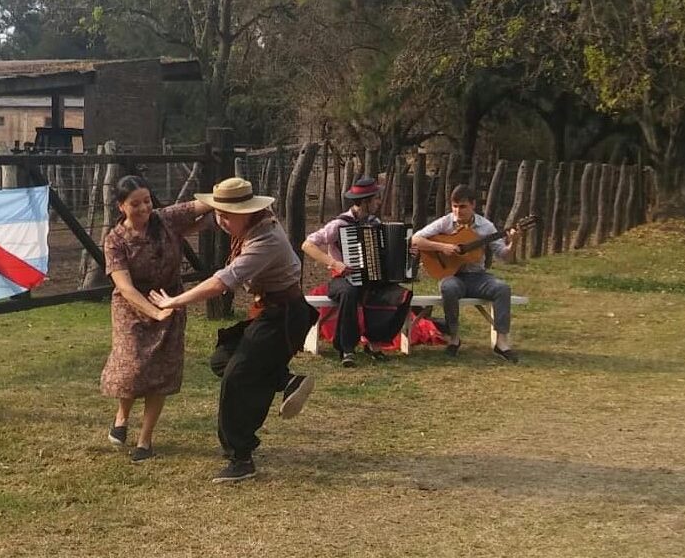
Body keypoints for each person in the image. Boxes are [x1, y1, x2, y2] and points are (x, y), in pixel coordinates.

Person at [149, 177, 318, 484]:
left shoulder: (266, 240)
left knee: (237, 377)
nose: (222, 221)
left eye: (228, 215)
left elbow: (220, 282)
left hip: (284, 316)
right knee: (222, 360)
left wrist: (175, 301)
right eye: (219, 213)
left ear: (248, 211)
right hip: (268, 311)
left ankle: (240, 457)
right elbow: (205, 221)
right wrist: (174, 230)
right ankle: (287, 380)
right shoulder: (242, 220)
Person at [100, 175, 213, 461]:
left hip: (170, 299)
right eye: (135, 204)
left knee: (161, 372)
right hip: (132, 308)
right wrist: (155, 312)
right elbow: (124, 287)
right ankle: (122, 416)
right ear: (121, 207)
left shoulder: (165, 219)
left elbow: (201, 205)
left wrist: (230, 198)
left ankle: (145, 440)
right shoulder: (114, 241)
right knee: (132, 369)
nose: (143, 208)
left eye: (147, 201)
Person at [301, 176, 410, 367]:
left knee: (402, 295)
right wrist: (334, 263)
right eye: (376, 198)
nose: (378, 202)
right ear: (366, 201)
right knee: (349, 291)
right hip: (341, 280)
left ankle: (375, 342)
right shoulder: (339, 224)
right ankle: (346, 348)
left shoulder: (375, 222)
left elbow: (389, 252)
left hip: (371, 280)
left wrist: (409, 250)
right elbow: (307, 245)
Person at [411, 184, 521, 362]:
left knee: (502, 288)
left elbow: (504, 256)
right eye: (454, 206)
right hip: (453, 276)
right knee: (449, 288)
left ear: (473, 205)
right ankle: (454, 338)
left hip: (478, 277)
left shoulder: (486, 227)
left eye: (462, 206)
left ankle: (501, 343)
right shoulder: (445, 222)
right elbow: (416, 239)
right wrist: (443, 247)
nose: (457, 211)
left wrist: (514, 242)